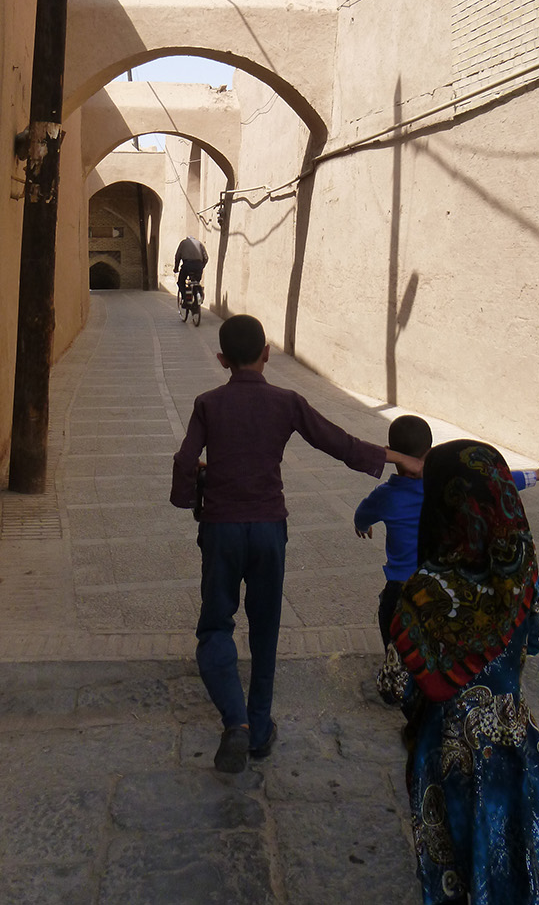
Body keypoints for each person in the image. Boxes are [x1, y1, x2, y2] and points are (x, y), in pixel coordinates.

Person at [170, 313, 425, 775]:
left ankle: (236, 724)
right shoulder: (286, 402)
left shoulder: (208, 403)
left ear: (222, 358)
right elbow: (339, 442)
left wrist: (188, 495)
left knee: (215, 626)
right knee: (265, 629)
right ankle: (260, 726)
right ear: (267, 354)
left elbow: (186, 459)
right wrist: (399, 456)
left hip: (223, 529)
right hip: (269, 529)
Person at [391, 440, 539, 904]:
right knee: (507, 832)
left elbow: (399, 684)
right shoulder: (521, 571)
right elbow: (535, 637)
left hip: (444, 749)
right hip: (510, 728)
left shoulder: (423, 593)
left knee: (456, 855)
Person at [354, 417, 539, 649]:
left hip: (401, 586)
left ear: (390, 453)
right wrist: (537, 475)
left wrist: (363, 526)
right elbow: (493, 480)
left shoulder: (385, 496)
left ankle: (399, 675)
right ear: (430, 452)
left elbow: (361, 515)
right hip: (444, 583)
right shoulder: (449, 484)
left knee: (395, 639)